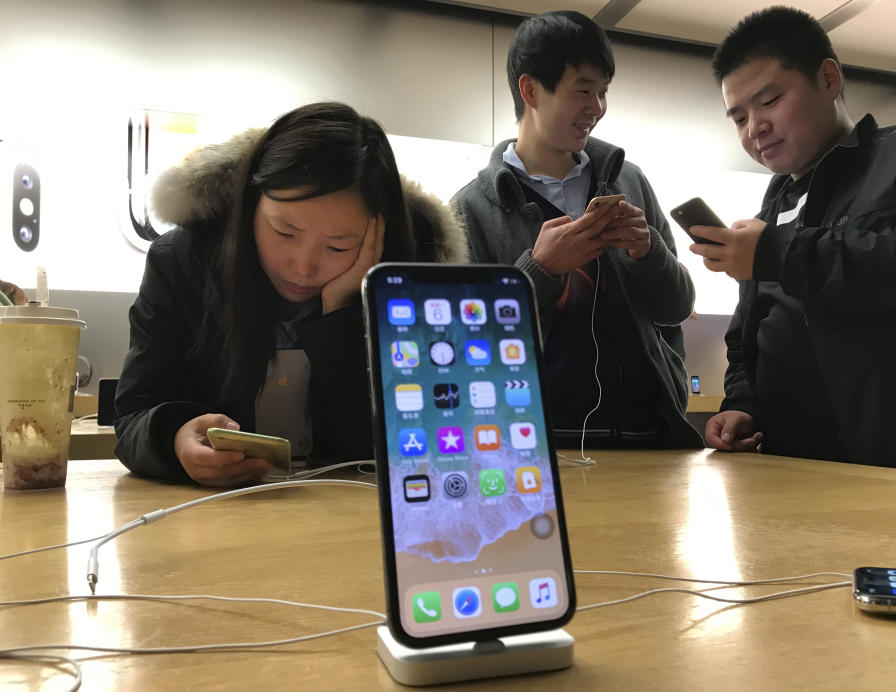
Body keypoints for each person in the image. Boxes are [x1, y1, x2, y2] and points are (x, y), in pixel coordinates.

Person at [114, 102, 467, 487]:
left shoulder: (407, 281)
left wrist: (342, 312)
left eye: (338, 245)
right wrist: (175, 437)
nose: (303, 266)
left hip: (354, 521)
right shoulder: (184, 262)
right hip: (213, 519)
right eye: (284, 232)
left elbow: (421, 439)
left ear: (377, 236)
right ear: (249, 204)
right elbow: (135, 413)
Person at [691, 6, 896, 472]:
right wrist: (742, 403)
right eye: (738, 118)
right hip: (790, 472)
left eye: (769, 101)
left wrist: (778, 252)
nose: (755, 128)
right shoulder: (771, 209)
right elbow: (746, 336)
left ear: (829, 79)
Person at [451, 11, 702, 450]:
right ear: (530, 89)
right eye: (584, 91)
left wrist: (650, 250)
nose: (597, 108)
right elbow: (464, 346)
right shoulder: (472, 208)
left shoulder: (630, 182)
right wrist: (539, 270)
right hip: (537, 445)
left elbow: (677, 307)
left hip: (651, 435)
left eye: (603, 93)